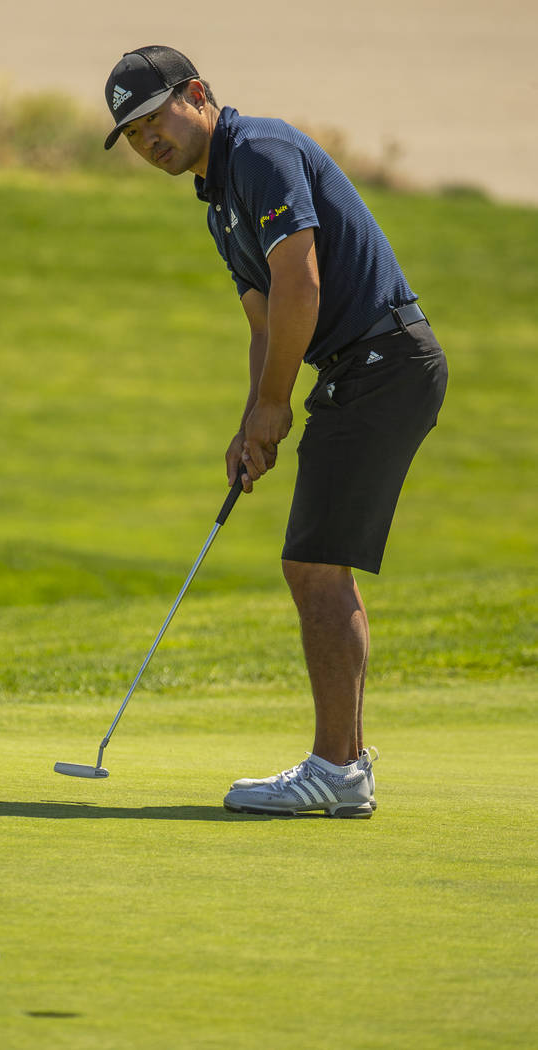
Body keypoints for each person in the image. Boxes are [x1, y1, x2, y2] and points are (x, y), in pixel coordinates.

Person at [103, 46, 448, 818]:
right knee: (318, 566)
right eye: (130, 134)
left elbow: (302, 280)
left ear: (195, 94)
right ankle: (346, 766)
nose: (145, 139)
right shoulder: (218, 197)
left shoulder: (258, 150)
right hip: (357, 370)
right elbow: (263, 319)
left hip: (383, 361)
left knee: (313, 566)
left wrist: (275, 405)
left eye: (153, 117)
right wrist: (252, 418)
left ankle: (336, 768)